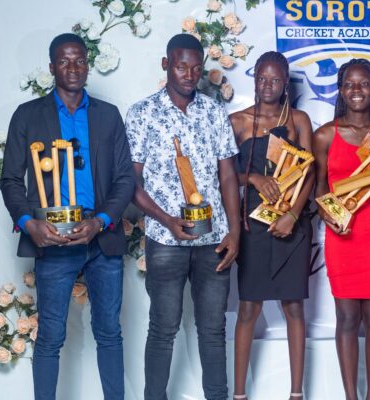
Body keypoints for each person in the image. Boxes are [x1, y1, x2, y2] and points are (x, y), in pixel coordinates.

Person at [0, 33, 134, 400]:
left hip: (101, 236)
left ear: (87, 66)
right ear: (51, 67)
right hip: (52, 238)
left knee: (109, 333)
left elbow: (125, 178)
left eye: (79, 61)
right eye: (64, 61)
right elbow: (10, 179)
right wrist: (29, 224)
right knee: (50, 336)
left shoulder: (108, 115)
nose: (73, 68)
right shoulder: (28, 115)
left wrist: (100, 221)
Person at [126, 33, 241, 400]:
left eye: (195, 68)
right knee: (163, 329)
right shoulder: (143, 113)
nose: (189, 75)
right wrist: (167, 221)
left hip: (213, 241)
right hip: (165, 241)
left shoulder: (214, 111)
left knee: (213, 330)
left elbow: (228, 175)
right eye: (180, 66)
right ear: (166, 65)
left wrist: (235, 231)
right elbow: (131, 183)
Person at [230, 51, 314, 400]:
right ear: (254, 81)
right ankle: (239, 394)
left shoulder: (298, 120)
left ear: (285, 84)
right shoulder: (237, 121)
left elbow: (310, 172)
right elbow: (223, 174)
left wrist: (293, 215)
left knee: (294, 306)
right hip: (252, 224)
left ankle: (296, 393)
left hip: (291, 221)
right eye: (262, 78)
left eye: (275, 79)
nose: (267, 85)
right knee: (249, 307)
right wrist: (252, 178)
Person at [313, 58, 370, 400]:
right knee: (346, 316)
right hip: (342, 234)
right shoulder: (325, 135)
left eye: (363, 84)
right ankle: (351, 396)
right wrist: (327, 213)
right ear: (340, 90)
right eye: (349, 84)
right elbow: (319, 187)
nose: (356, 90)